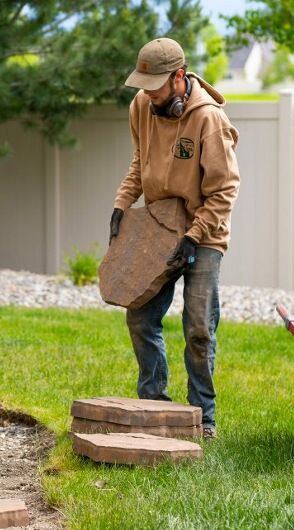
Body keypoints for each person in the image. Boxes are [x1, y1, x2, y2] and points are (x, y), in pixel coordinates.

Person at [108, 38, 240, 440]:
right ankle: (154, 402)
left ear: (179, 77)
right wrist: (122, 204)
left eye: (156, 85)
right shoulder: (141, 108)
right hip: (158, 226)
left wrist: (195, 235)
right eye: (143, 84)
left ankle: (204, 418)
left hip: (205, 233)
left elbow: (225, 190)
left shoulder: (208, 120)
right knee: (141, 316)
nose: (148, 93)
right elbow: (139, 161)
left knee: (198, 327)